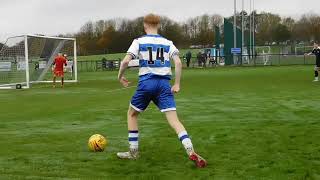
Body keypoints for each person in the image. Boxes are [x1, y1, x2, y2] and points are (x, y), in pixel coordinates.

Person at [116, 14, 207, 168]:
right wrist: (177, 84)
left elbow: (126, 61)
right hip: (164, 85)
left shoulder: (139, 41)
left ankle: (133, 152)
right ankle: (190, 150)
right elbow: (178, 62)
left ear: (145, 25)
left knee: (131, 114)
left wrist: (120, 76)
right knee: (174, 121)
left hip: (146, 83)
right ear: (158, 25)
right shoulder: (167, 43)